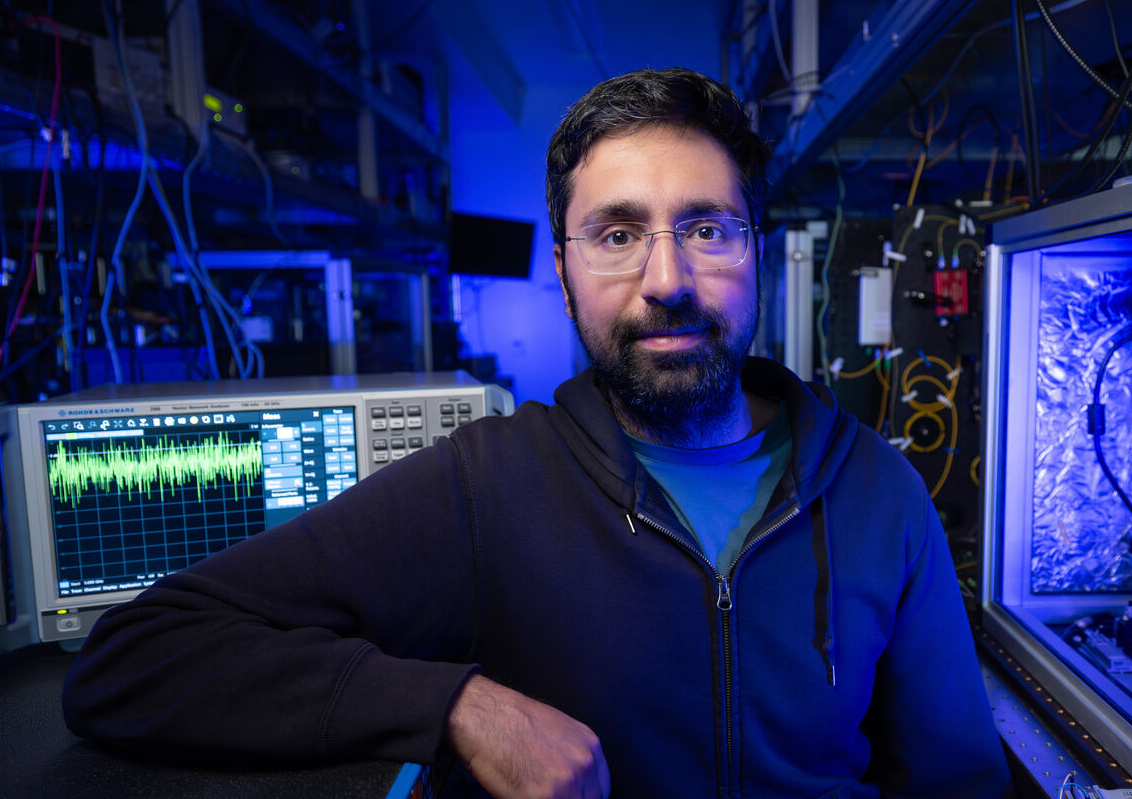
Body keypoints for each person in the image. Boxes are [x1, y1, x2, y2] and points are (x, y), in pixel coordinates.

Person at [63, 68, 1012, 798]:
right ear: (562, 272)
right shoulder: (484, 491)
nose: (668, 278)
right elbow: (137, 656)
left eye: (709, 228)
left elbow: (959, 783)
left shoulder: (881, 493)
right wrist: (452, 705)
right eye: (616, 234)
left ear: (756, 251)